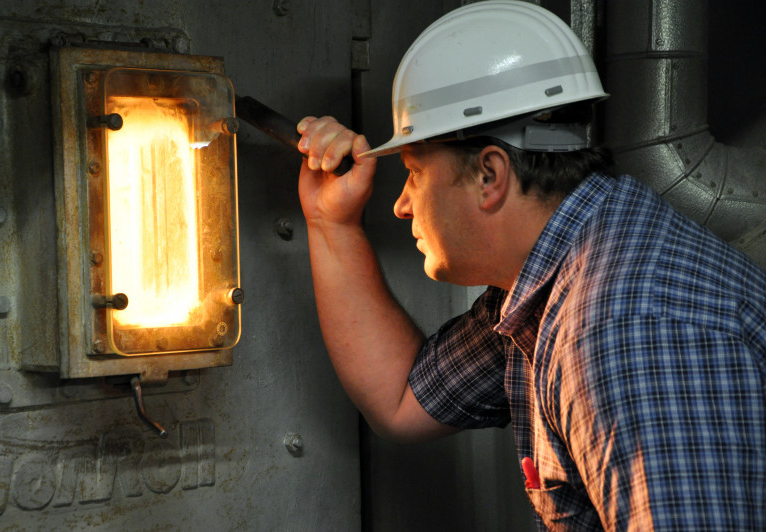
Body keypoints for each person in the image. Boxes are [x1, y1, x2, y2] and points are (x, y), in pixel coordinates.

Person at [295, 1, 766, 530]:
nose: (402, 204)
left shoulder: (626, 330)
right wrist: (330, 223)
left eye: (414, 171)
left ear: (489, 176)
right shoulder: (553, 275)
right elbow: (400, 398)